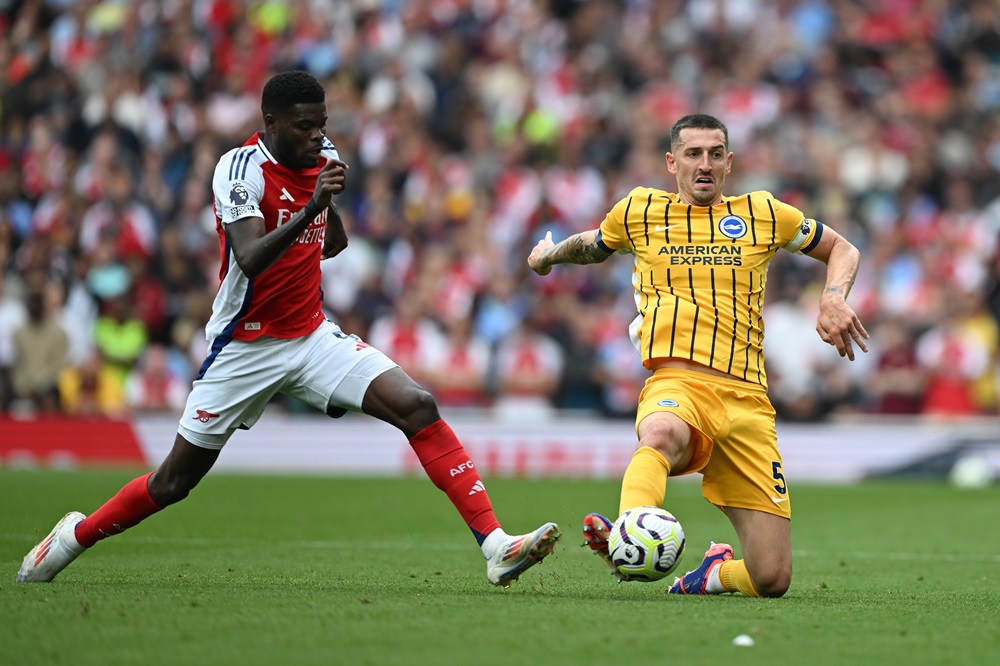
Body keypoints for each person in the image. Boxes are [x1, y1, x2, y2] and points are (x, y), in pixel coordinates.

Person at [18, 70, 559, 588]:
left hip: (309, 336)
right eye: (305, 124)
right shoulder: (238, 169)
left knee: (417, 404)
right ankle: (72, 537)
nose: (318, 134)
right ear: (271, 123)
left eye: (322, 122)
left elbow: (333, 242)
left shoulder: (322, 156)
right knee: (173, 483)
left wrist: (327, 208)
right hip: (244, 346)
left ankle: (494, 545)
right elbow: (251, 257)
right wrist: (312, 205)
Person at [527, 114, 868, 597]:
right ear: (672, 162)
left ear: (729, 163)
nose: (703, 164)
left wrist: (833, 295)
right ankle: (628, 531)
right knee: (661, 432)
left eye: (714, 154)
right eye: (692, 154)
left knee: (771, 578)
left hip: (747, 401)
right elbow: (593, 246)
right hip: (678, 383)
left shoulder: (764, 214)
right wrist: (548, 256)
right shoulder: (640, 211)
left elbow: (843, 248)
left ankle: (711, 573)